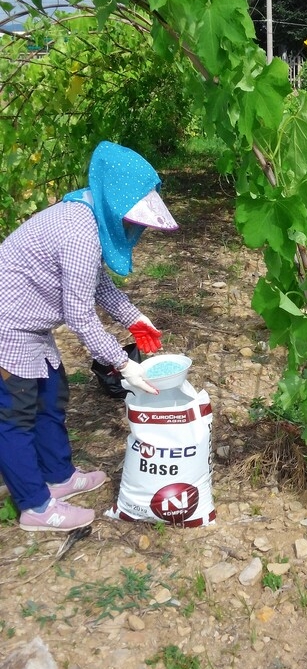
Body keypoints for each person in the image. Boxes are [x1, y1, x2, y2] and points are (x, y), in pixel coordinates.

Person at [0, 141, 179, 533]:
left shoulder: (87, 213)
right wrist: (123, 363)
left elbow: (98, 285)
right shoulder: (80, 232)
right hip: (8, 328)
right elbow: (80, 315)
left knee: (51, 397)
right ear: (115, 205)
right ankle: (35, 506)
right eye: (132, 220)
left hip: (31, 326)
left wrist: (135, 319)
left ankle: (60, 477)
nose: (135, 228)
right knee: (14, 416)